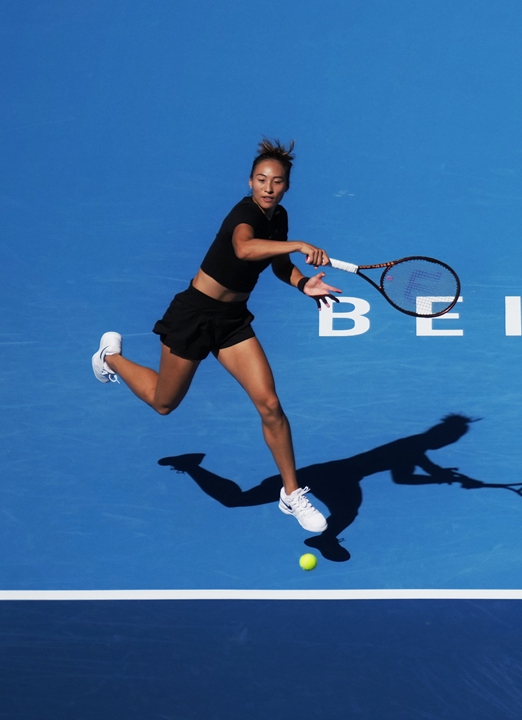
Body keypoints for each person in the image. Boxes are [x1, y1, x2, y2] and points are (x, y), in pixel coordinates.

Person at [91, 139, 341, 532]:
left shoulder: (279, 218)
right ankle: (110, 358)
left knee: (270, 404)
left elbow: (277, 265)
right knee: (164, 403)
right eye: (261, 179)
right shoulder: (244, 213)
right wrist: (298, 243)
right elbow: (243, 249)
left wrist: (302, 283)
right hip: (194, 315)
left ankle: (291, 494)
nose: (268, 187)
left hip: (232, 321)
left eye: (276, 181)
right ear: (250, 182)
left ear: (286, 186)